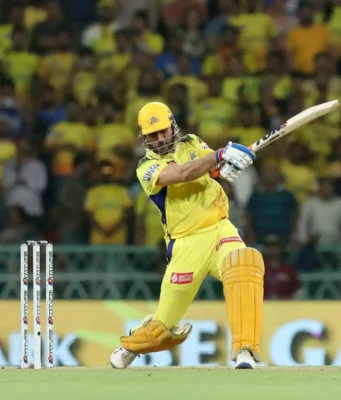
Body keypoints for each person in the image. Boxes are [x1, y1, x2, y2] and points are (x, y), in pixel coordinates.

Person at [109, 102, 262, 370]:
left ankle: (244, 351)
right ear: (144, 138)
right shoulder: (146, 166)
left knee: (244, 263)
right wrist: (219, 155)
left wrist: (227, 166)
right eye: (152, 135)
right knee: (160, 331)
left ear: (173, 126)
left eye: (163, 131)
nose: (159, 139)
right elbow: (181, 173)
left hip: (219, 228)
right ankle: (130, 345)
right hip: (186, 245)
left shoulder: (192, 142)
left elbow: (210, 170)